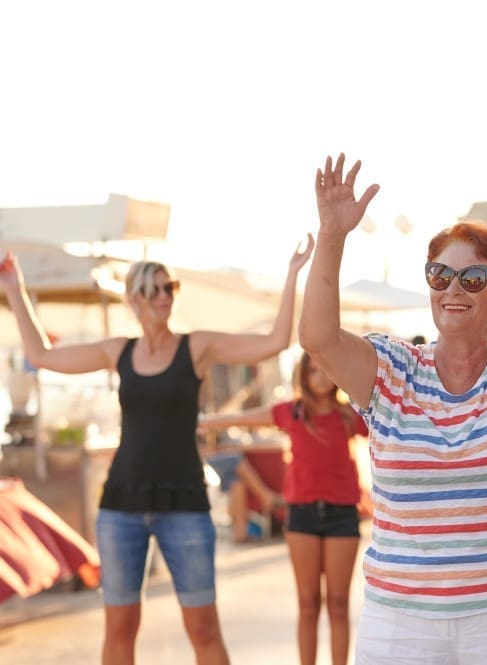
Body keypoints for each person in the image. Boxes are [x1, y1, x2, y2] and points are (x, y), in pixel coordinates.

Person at [298, 153, 487, 664]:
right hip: (402, 621)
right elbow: (318, 337)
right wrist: (331, 236)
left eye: (473, 278)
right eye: (439, 275)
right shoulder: (391, 369)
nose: (453, 289)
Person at [0, 238, 314, 665]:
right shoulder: (119, 351)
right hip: (121, 506)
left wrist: (293, 274)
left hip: (184, 504)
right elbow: (41, 355)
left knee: (203, 628)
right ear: (134, 299)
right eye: (153, 290)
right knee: (120, 629)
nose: (164, 296)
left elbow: (275, 341)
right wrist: (14, 288)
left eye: (170, 287)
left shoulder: (196, 347)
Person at [198, 351, 367, 665]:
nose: (320, 377)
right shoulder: (292, 412)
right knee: (308, 603)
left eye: (325, 370)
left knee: (339, 604)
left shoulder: (349, 415)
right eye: (313, 371)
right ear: (303, 375)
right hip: (302, 514)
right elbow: (242, 418)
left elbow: (392, 425)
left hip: (342, 514)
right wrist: (199, 421)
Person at [203, 447, 286, 542]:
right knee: (237, 461)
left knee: (236, 480)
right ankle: (266, 496)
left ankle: (240, 533)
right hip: (204, 458)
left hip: (215, 455)